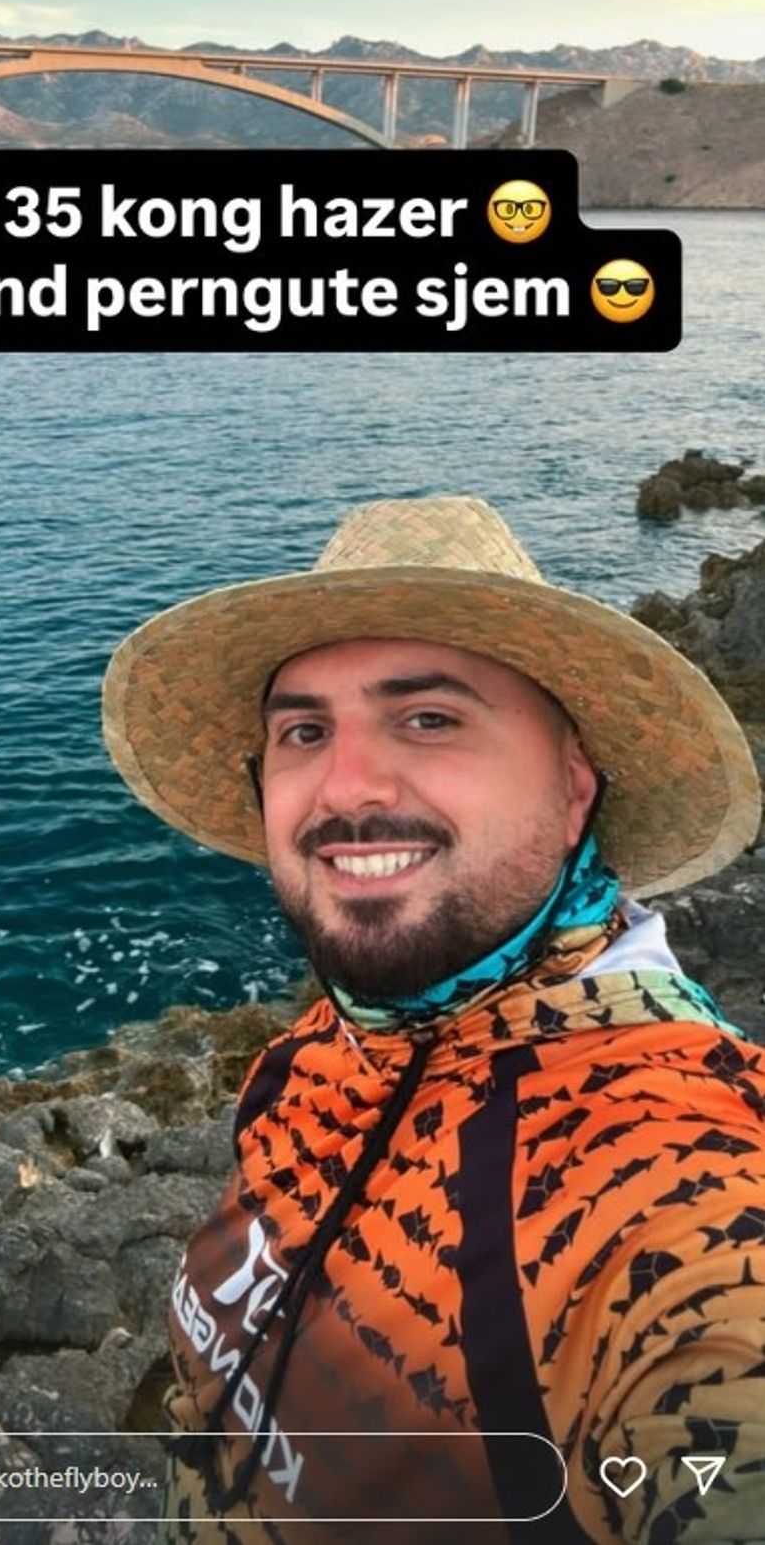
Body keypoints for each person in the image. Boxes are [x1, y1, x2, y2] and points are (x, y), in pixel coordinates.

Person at [102, 495, 765, 1544]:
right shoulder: (308, 1058)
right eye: (303, 732)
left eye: (429, 718)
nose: (346, 788)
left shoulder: (684, 1181)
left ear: (574, 789)